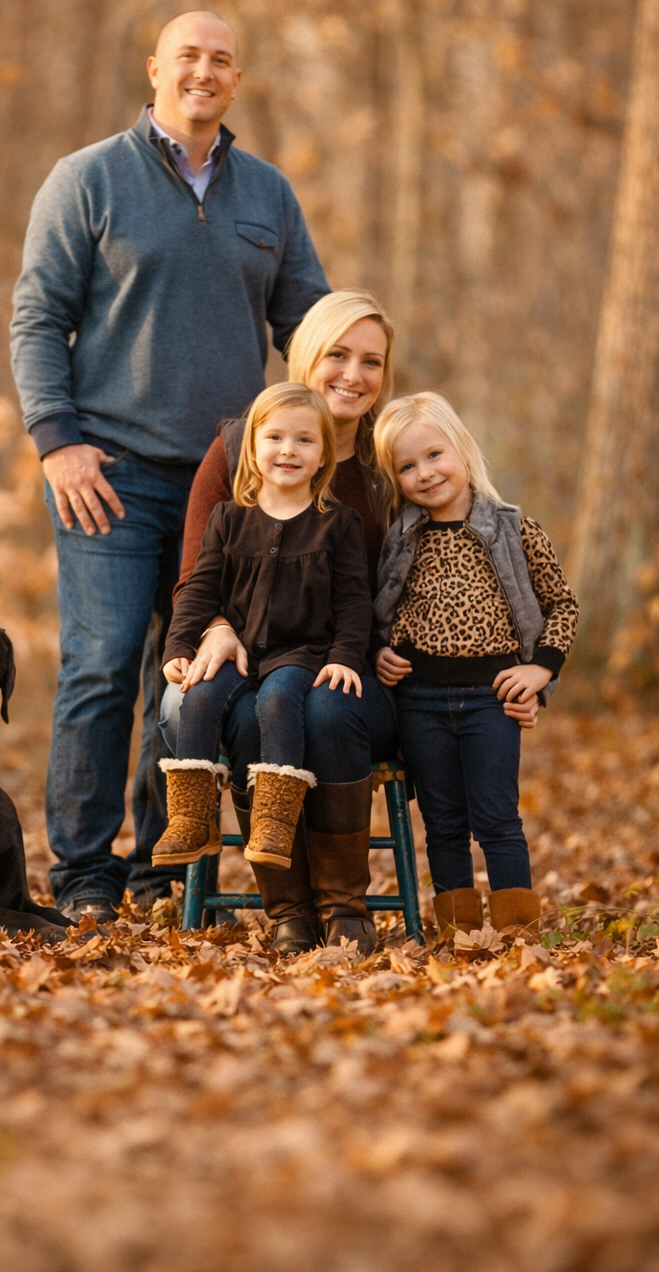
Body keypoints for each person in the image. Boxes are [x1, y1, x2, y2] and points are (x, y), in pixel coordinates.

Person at [10, 11, 329, 923]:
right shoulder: (87, 179)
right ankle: (82, 875)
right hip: (105, 473)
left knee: (183, 672)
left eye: (221, 60)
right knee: (104, 666)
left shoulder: (266, 194)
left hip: (229, 488)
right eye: (188, 56)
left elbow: (304, 327)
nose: (204, 71)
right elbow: (37, 320)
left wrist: (342, 418)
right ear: (155, 68)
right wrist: (57, 441)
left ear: (236, 79)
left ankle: (159, 874)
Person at [160, 289, 396, 954]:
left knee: (322, 711)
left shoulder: (391, 459)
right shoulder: (242, 446)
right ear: (306, 357)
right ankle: (288, 906)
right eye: (338, 355)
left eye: (371, 362)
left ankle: (346, 905)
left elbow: (452, 546)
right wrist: (209, 630)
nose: (354, 374)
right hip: (249, 658)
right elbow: (197, 575)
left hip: (354, 663)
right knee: (243, 711)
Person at [371, 392, 579, 937]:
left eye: (435, 454)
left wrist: (541, 671)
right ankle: (457, 930)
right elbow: (377, 610)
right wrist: (378, 652)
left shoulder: (514, 529)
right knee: (441, 822)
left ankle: (516, 931)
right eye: (407, 466)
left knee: (496, 817)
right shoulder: (399, 538)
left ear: (463, 448)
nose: (425, 473)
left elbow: (563, 604)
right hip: (419, 701)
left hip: (492, 699)